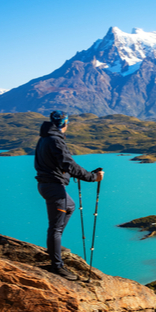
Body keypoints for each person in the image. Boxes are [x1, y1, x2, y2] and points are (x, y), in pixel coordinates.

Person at [34, 111, 104, 280]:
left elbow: (59, 164)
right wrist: (92, 177)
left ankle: (54, 247)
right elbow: (68, 164)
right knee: (56, 227)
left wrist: (81, 173)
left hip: (48, 184)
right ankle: (56, 266)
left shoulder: (45, 138)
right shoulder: (55, 140)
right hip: (54, 188)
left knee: (70, 206)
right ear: (65, 124)